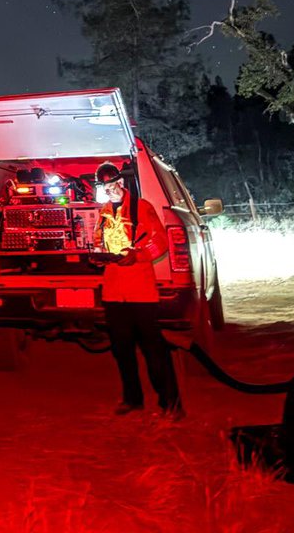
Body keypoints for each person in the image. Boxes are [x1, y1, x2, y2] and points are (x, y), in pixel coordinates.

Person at [93, 161, 183, 419]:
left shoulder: (142, 208)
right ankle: (133, 399)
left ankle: (171, 404)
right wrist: (97, 255)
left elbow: (161, 242)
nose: (108, 191)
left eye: (110, 186)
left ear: (120, 183)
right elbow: (99, 241)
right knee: (122, 350)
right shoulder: (104, 213)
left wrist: (139, 255)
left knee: (153, 349)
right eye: (104, 187)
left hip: (140, 292)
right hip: (113, 291)